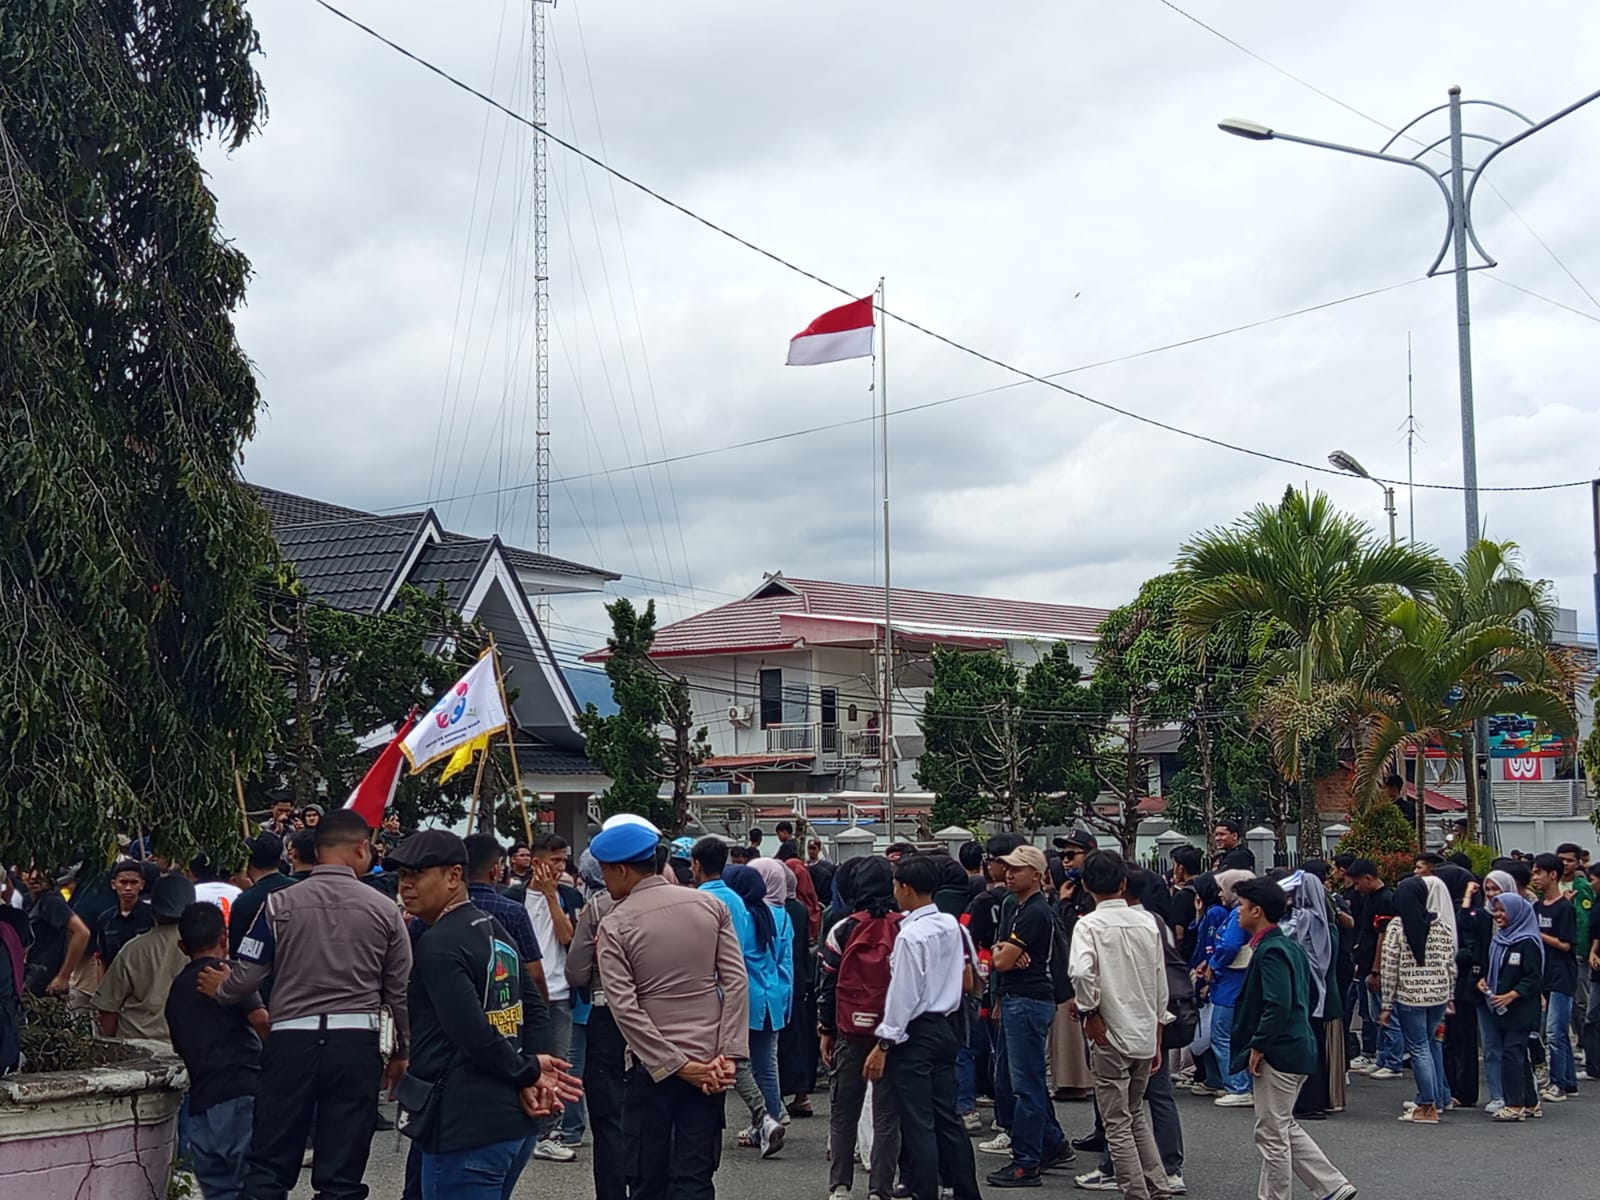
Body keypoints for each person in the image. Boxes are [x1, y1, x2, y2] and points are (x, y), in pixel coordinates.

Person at [202, 807, 413, 1200]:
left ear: (315, 850)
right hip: (357, 1044)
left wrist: (220, 989)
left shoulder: (278, 904)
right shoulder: (385, 909)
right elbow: (397, 990)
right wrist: (401, 1050)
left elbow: (247, 975)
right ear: (362, 848)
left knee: (269, 1164)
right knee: (342, 1175)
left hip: (291, 1043)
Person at [390, 830, 581, 1200]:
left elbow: (473, 1033)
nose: (407, 886)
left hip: (466, 1125)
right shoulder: (490, 925)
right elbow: (535, 1009)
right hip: (510, 1123)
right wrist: (535, 1075)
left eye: (417, 874)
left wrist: (532, 1072)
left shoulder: (439, 943)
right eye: (401, 877)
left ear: (454, 876)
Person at [592, 818, 748, 1200]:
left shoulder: (615, 925)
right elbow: (735, 981)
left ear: (621, 869)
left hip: (653, 1068)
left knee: (647, 1177)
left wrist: (675, 1065)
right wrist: (728, 1055)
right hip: (711, 1064)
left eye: (606, 872)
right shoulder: (709, 906)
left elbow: (625, 1009)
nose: (605, 881)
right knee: (695, 1176)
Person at [1229, 878, 1356, 1200]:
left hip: (1279, 1049)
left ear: (1256, 911)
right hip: (1298, 1044)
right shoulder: (1288, 945)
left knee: (1271, 1132)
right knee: (1282, 1125)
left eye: (1241, 906)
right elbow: (1307, 993)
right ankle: (1331, 1185)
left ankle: (1278, 1196)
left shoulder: (1270, 950)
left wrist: (1258, 1043)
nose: (1238, 912)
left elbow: (1278, 1003)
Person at [864, 854, 981, 1200]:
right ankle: (965, 1190)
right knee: (947, 1117)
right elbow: (974, 973)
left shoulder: (911, 935)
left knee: (918, 1122)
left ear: (905, 888)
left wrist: (885, 1042)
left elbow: (904, 994)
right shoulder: (953, 925)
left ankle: (924, 1190)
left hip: (916, 1031)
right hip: (948, 1025)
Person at [1066, 851, 1170, 1200]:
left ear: (1085, 885)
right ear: (1123, 883)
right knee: (1136, 1112)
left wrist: (1088, 1010)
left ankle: (1136, 1192)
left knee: (1117, 1123)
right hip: (1143, 1028)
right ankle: (1158, 1185)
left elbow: (1081, 972)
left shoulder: (1088, 925)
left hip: (1109, 1030)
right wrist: (1158, 1030)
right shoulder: (1147, 923)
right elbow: (1160, 981)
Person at [166, 902, 269, 1200]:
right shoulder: (229, 974)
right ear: (225, 937)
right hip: (242, 1096)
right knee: (258, 1186)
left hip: (202, 1106)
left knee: (221, 1193)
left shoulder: (177, 991)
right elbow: (260, 1020)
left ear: (183, 946)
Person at [818, 855, 903, 1200]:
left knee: (843, 1109)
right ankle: (880, 1188)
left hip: (850, 1028)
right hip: (892, 1031)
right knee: (887, 1113)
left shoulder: (844, 927)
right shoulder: (904, 925)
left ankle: (840, 1186)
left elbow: (826, 982)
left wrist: (826, 1028)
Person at [986, 844, 1070, 1187]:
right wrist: (1001, 951)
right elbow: (1000, 951)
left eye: (1018, 869)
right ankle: (1050, 1142)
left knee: (1027, 1084)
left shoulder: (1036, 912)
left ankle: (1026, 1161)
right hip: (1019, 997)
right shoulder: (1017, 907)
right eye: (1008, 867)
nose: (1009, 873)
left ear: (1037, 875)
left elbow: (1003, 960)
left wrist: (1002, 953)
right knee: (1016, 1078)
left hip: (1028, 998)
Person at [565, 859, 626, 1200]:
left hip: (607, 1012)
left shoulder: (599, 907)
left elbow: (575, 971)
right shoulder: (686, 902)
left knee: (608, 1116)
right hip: (666, 1020)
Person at [524, 832, 584, 1161]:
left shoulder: (569, 897)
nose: (561, 866)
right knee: (525, 1061)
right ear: (537, 863)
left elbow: (567, 938)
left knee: (559, 1063)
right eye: (555, 860)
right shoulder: (513, 896)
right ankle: (524, 1127)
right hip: (523, 994)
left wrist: (551, 897)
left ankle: (551, 1131)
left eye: (564, 860)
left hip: (559, 992)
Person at [727, 862, 794, 1153]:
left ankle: (763, 1123)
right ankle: (771, 1121)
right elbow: (786, 960)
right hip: (772, 995)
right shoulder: (779, 914)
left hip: (746, 997)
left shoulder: (742, 915)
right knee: (767, 1066)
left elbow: (734, 956)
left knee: (744, 1064)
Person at [1377, 876, 1455, 1123]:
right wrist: (1450, 995)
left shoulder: (1397, 927)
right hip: (1438, 995)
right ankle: (1431, 1098)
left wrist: (1386, 1004)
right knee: (1429, 1046)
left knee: (1419, 1048)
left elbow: (1390, 968)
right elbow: (1450, 964)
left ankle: (1428, 1105)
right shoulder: (1441, 925)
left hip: (1410, 996)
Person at [463, 835, 551, 1051]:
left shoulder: (435, 914)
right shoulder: (513, 911)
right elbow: (535, 973)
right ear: (496, 868)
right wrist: (541, 1013)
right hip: (507, 1015)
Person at [91, 873, 194, 1039]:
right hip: (187, 1046)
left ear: (153, 910)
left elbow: (107, 1008)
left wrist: (107, 1046)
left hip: (138, 1044)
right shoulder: (203, 948)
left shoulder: (133, 950)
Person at [1482, 891, 1545, 1120]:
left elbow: (1534, 977)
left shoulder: (1527, 942)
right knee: (1517, 1054)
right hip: (1502, 1006)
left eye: (1502, 910)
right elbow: (1496, 970)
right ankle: (1530, 1101)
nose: (1498, 915)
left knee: (1512, 1053)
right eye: (1495, 910)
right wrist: (1486, 983)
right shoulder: (1501, 939)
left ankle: (1514, 1104)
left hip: (1521, 1008)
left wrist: (1512, 994)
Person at [1345, 858, 1404, 1079]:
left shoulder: (1385, 901)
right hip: (1366, 961)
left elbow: (1383, 937)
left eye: (1358, 882)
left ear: (1368, 878)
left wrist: (1376, 969)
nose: (1356, 888)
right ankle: (1382, 1057)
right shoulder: (1369, 898)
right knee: (1373, 1014)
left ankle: (1393, 1061)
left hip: (1376, 965)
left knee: (1386, 1013)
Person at [1202, 869, 1256, 1105]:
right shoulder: (1239, 913)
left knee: (1222, 1035)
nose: (1219, 894)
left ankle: (1238, 1085)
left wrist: (1214, 964)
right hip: (1237, 982)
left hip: (1230, 983)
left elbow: (1230, 945)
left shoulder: (1236, 915)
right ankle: (1243, 1084)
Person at [1528, 852, 1578, 1101]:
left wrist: (1539, 934)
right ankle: (1569, 1081)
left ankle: (1558, 1083)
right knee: (1553, 1030)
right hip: (1544, 974)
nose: (1535, 877)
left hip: (1562, 975)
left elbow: (1567, 944)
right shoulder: (1537, 906)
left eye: (1539, 872)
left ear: (1553, 875)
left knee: (1555, 1032)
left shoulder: (1565, 908)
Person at [778, 858, 820, 1118]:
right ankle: (802, 1094)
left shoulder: (774, 910)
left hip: (780, 983)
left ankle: (777, 1097)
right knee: (801, 1039)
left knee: (780, 1043)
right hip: (802, 980)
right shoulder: (802, 909)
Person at [22, 867, 91, 997]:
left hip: (48, 985)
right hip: (34, 980)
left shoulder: (51, 901)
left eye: (41, 870)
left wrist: (63, 976)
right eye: (28, 871)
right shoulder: (33, 901)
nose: (34, 877)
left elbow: (82, 933)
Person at [229, 834, 293, 960]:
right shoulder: (300, 889)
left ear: (248, 861)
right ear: (280, 858)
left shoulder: (244, 902)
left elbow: (237, 954)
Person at [94, 859, 154, 972]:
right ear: (113, 884)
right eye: (123, 882)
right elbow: (102, 960)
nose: (128, 888)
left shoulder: (152, 917)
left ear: (142, 885)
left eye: (133, 882)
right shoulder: (105, 919)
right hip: (115, 982)